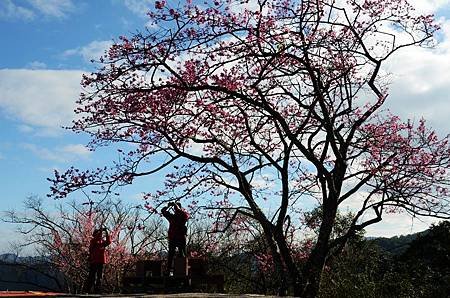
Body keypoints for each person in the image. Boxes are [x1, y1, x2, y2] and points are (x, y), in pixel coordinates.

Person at [161, 202, 190, 273]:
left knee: (182, 253)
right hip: (174, 237)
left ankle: (182, 270)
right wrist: (168, 206)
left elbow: (184, 215)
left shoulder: (183, 215)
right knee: (171, 254)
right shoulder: (173, 217)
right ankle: (169, 270)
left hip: (180, 237)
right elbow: (163, 211)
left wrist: (174, 205)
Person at [83, 228, 111, 293]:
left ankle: (97, 290)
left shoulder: (102, 242)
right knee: (92, 276)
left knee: (99, 276)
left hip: (101, 260)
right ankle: (88, 290)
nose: (100, 235)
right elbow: (96, 239)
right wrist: (100, 231)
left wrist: (106, 232)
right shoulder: (93, 241)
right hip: (94, 261)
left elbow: (108, 241)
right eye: (98, 233)